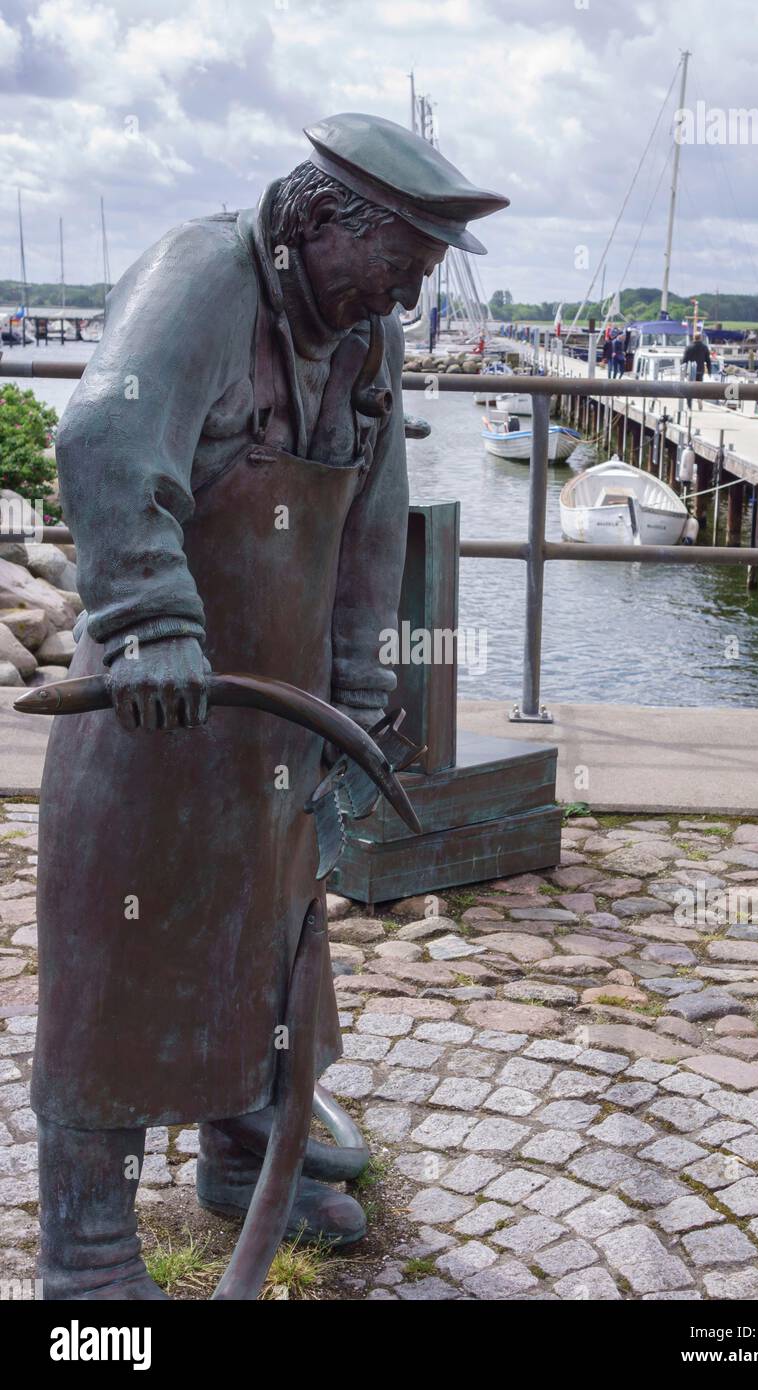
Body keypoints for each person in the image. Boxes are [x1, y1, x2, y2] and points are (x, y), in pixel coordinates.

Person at [33, 112, 508, 1300]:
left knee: (274, 934)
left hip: (279, 712)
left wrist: (358, 689)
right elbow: (101, 431)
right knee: (120, 964)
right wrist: (148, 618)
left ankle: (251, 1155)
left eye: (421, 276)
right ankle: (87, 1253)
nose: (406, 294)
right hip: (155, 713)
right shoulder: (204, 277)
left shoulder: (364, 334)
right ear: (321, 221)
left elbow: (370, 524)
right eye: (400, 262)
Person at [683, 331, 713, 408]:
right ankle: (699, 399)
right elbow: (708, 360)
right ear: (701, 338)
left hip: (690, 371)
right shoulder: (704, 347)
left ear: (694, 338)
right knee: (699, 387)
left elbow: (684, 360)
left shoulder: (689, 347)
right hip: (700, 370)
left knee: (690, 388)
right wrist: (709, 371)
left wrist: (683, 371)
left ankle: (689, 404)